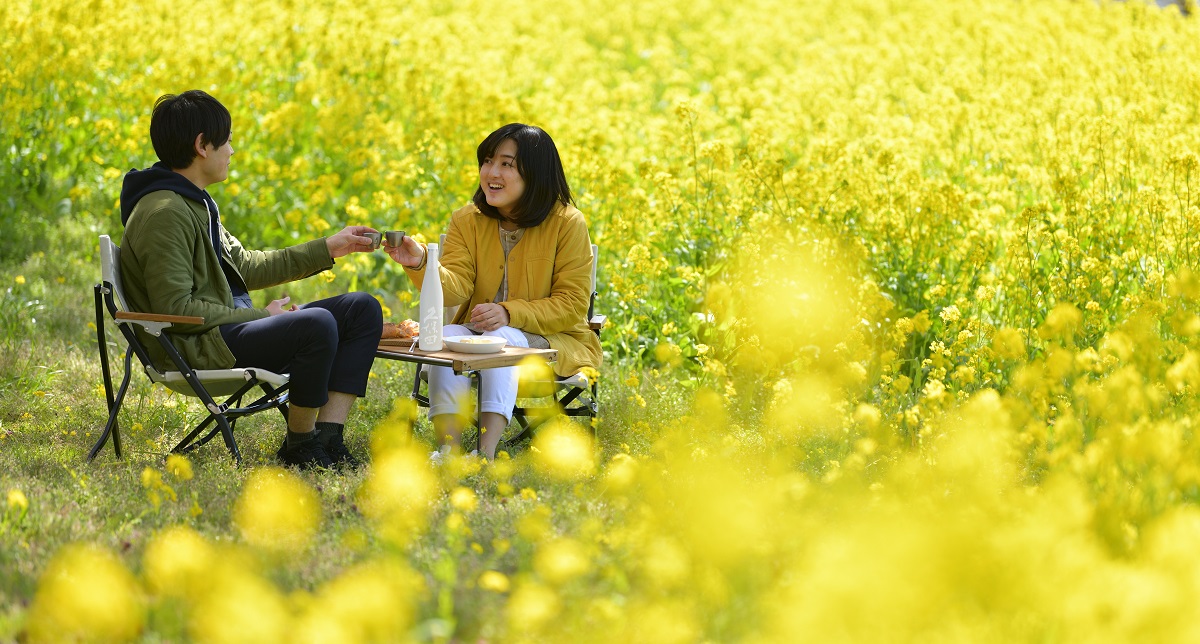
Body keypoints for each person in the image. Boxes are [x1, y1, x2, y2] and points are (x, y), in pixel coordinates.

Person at [118, 90, 383, 469]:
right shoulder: (165, 212)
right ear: (201, 146)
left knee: (361, 309)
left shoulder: (193, 201)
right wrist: (263, 317)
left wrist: (329, 247)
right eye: (226, 141)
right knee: (317, 325)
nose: (232, 150)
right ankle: (301, 446)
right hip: (199, 345)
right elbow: (174, 310)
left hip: (220, 330)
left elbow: (247, 266)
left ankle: (327, 438)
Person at [386, 123, 602, 461]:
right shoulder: (466, 220)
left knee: (501, 337)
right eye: (487, 161)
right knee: (443, 338)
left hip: (554, 343)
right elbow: (457, 286)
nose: (491, 172)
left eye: (506, 164)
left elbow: (573, 305)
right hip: (478, 336)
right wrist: (420, 264)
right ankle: (449, 452)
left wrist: (509, 313)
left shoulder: (568, 222)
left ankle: (484, 454)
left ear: (536, 173)